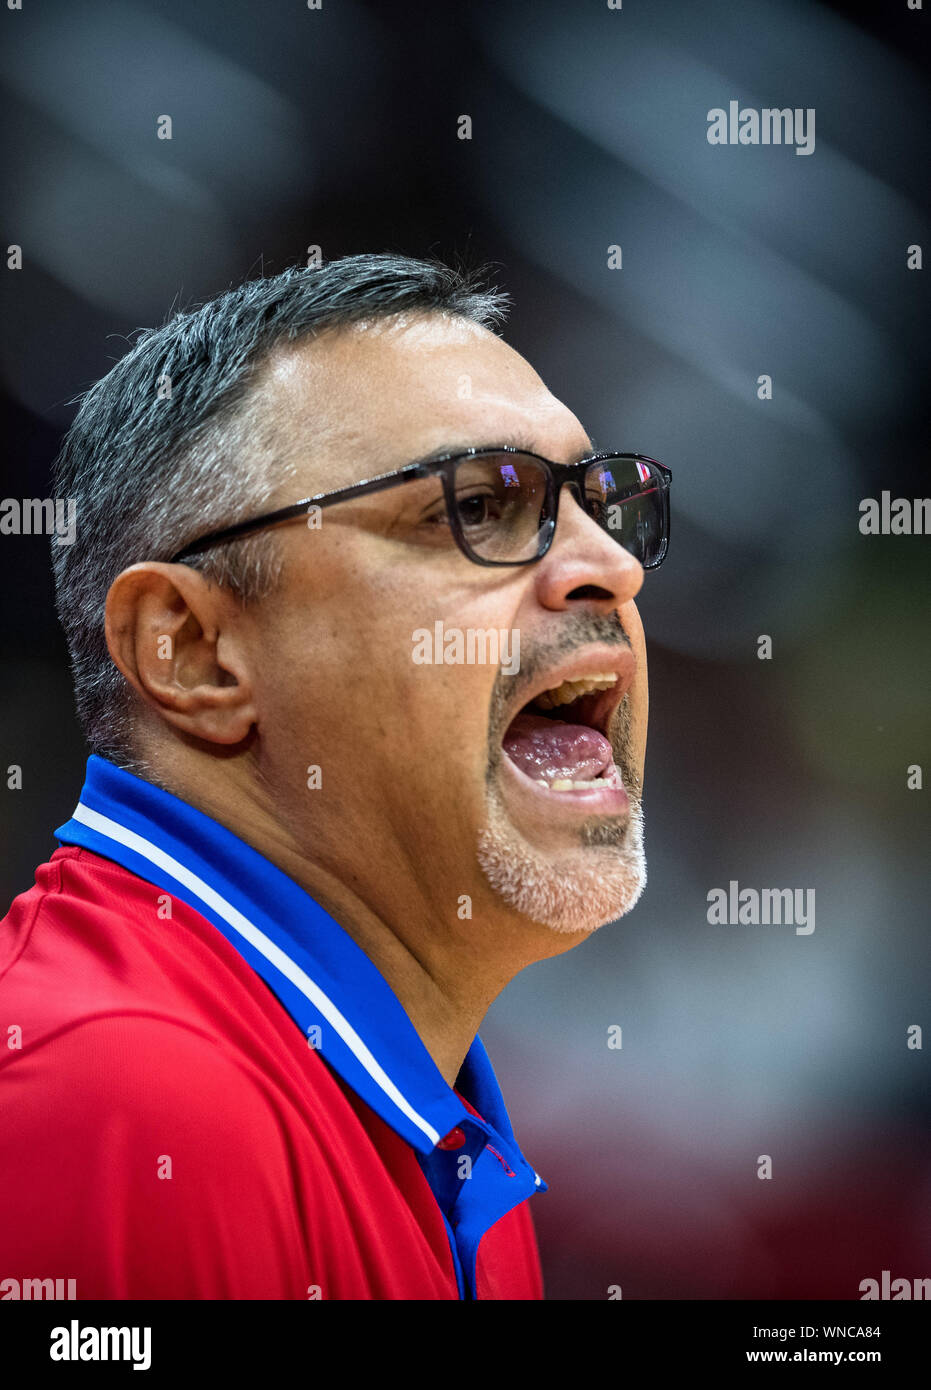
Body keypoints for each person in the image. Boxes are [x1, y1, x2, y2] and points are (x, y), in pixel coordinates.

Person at [0, 255, 670, 1300]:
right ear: (193, 650)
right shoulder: (121, 1095)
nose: (611, 568)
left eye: (597, 503)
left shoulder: (421, 1106)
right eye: (477, 507)